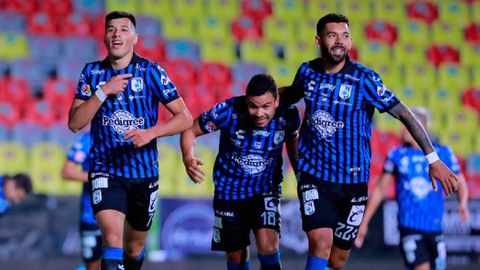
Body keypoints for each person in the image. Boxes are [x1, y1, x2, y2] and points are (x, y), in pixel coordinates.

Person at [280, 13, 459, 270]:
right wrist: (258, 98)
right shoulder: (307, 72)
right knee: (320, 242)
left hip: (353, 184)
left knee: (337, 260)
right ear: (318, 41)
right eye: (332, 35)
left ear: (351, 42)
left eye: (345, 35)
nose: (339, 41)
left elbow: (405, 114)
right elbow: (292, 93)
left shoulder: (365, 80)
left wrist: (433, 159)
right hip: (315, 178)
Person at [67, 11, 193, 270]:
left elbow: (185, 118)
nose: (117, 34)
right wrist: (103, 91)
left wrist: (151, 133)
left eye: (124, 29)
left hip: (144, 174)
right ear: (104, 37)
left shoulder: (151, 72)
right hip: (105, 170)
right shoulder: (91, 73)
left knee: (133, 249)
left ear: (134, 38)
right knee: (111, 241)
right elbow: (74, 123)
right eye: (111, 29)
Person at [180, 73, 301, 270]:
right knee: (236, 257)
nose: (259, 113)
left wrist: (301, 180)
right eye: (253, 106)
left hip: (265, 190)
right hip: (229, 193)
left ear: (276, 101)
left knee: (268, 248)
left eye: (266, 106)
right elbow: (190, 129)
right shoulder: (228, 111)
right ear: (246, 101)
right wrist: (188, 157)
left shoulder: (289, 115)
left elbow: (294, 151)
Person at [355, 107, 469, 270]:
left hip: (436, 228)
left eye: (405, 124)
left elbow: (461, 181)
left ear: (420, 126)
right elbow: (380, 189)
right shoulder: (397, 155)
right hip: (409, 227)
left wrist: (462, 203)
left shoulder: (444, 153)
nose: (402, 128)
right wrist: (364, 222)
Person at [62, 132, 101, 270]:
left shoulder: (127, 134)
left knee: (115, 262)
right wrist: (101, 177)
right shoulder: (88, 139)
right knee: (92, 265)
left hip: (121, 212)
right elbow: (67, 171)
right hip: (91, 214)